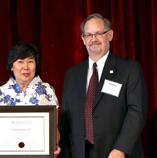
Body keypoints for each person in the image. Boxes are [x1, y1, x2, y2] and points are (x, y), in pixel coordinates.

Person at [59, 13, 148, 158]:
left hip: (116, 153)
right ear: (83, 39)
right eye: (88, 35)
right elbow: (66, 121)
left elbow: (137, 112)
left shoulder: (130, 69)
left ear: (110, 35)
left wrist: (121, 148)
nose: (93, 39)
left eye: (99, 33)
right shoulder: (72, 74)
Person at [0, 41, 61, 158]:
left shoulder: (47, 90)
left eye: (30, 61)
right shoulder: (0, 93)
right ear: (11, 66)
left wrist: (54, 144)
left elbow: (54, 127)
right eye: (20, 62)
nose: (26, 67)